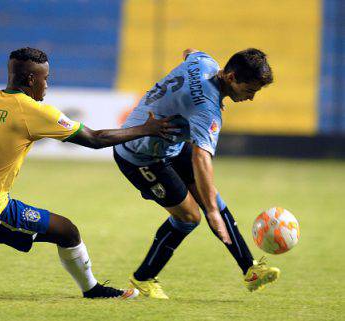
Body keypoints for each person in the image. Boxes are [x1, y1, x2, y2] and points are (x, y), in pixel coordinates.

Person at [0, 47, 179, 299]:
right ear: (31, 79)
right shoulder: (33, 112)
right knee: (67, 231)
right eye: (46, 78)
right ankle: (92, 289)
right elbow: (95, 139)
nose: (47, 85)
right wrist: (145, 129)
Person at [113, 48, 280, 299]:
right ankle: (143, 277)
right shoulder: (207, 110)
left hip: (170, 146)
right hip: (140, 156)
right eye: (250, 91)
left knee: (211, 196)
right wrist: (211, 212)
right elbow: (201, 157)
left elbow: (188, 51)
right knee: (190, 217)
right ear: (232, 77)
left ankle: (250, 270)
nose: (252, 98)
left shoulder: (205, 61)